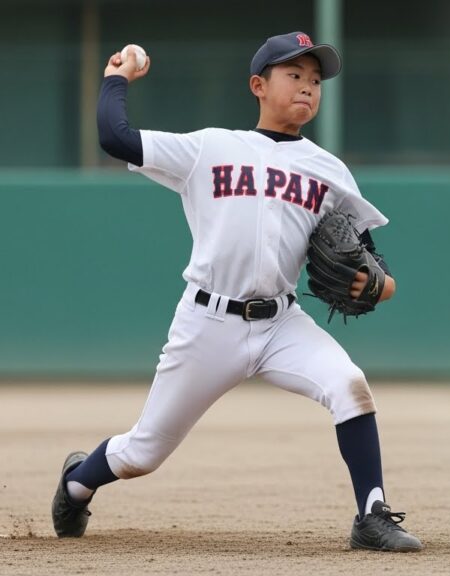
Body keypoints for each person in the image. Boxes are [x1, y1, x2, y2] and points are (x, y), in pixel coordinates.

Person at [51, 31, 423, 553]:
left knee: (350, 385)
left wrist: (378, 286)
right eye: (294, 75)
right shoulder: (210, 147)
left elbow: (372, 262)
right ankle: (76, 484)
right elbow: (116, 138)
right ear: (258, 86)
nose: (307, 87)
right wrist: (116, 79)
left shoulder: (329, 170)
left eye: (315, 80)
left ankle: (372, 514)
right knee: (143, 453)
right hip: (208, 322)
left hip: (282, 324)